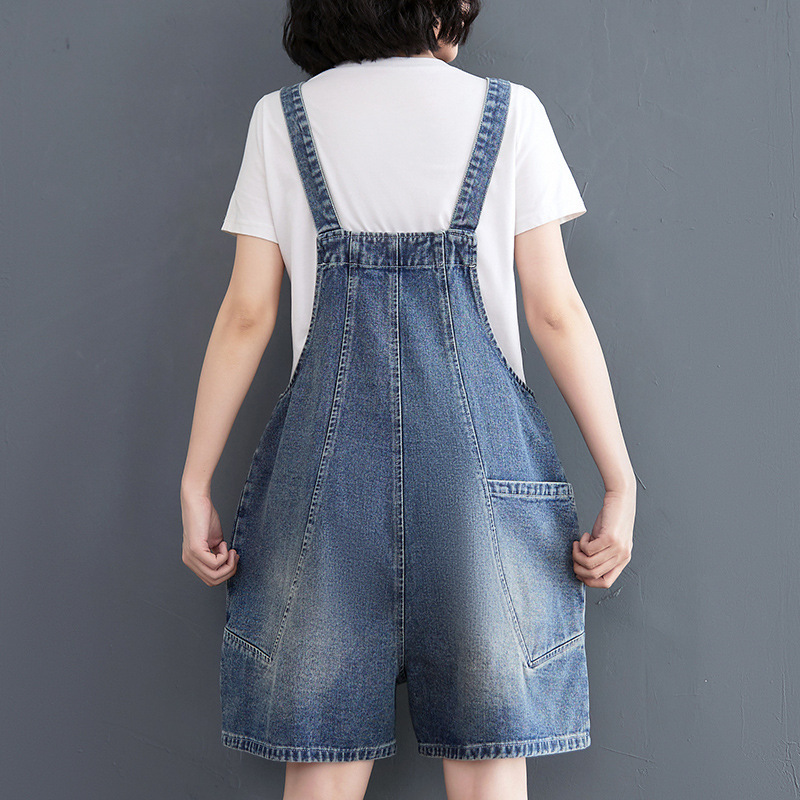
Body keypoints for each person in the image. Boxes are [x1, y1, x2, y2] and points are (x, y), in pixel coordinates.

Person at [180, 1, 636, 797]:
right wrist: (620, 482)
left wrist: (194, 482)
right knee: (491, 766)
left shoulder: (283, 120)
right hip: (478, 491)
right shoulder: (508, 113)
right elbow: (555, 311)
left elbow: (247, 314)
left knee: (321, 770)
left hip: (325, 494)